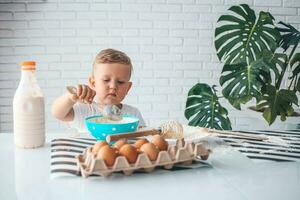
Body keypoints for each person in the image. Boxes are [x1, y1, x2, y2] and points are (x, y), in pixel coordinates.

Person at [52, 48, 145, 132]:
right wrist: (70, 98)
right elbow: (57, 113)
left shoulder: (133, 114)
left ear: (128, 88)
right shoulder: (85, 109)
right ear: (93, 83)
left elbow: (143, 137)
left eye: (120, 82)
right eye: (106, 80)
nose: (113, 86)